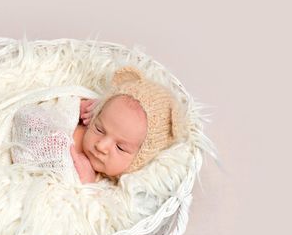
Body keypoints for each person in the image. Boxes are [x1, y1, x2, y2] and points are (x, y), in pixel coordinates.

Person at [11, 66, 188, 184]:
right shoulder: (76, 121)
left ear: (139, 159)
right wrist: (74, 106)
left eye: (120, 147)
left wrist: (85, 183)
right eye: (99, 129)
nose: (101, 146)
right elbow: (25, 116)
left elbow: (79, 208)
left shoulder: (109, 184)